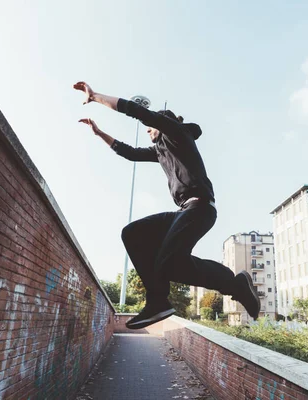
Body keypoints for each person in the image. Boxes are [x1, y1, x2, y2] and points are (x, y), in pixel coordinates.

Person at [73, 81, 260, 329]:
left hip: (200, 207)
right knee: (134, 235)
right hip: (183, 211)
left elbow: (137, 111)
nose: (149, 133)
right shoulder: (161, 152)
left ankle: (173, 296)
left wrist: (96, 97)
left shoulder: (176, 134)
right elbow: (128, 153)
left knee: (169, 263)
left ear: (160, 124)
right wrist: (100, 134)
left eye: (151, 129)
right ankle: (173, 296)